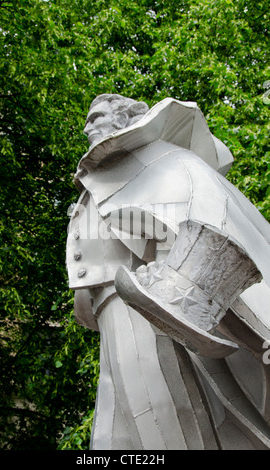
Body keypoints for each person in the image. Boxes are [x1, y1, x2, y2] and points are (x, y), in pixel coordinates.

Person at [66, 93, 270, 450]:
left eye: (97, 116)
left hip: (140, 306)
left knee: (161, 420)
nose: (88, 127)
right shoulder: (98, 183)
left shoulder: (160, 160)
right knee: (115, 435)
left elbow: (200, 211)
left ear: (125, 118)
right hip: (109, 314)